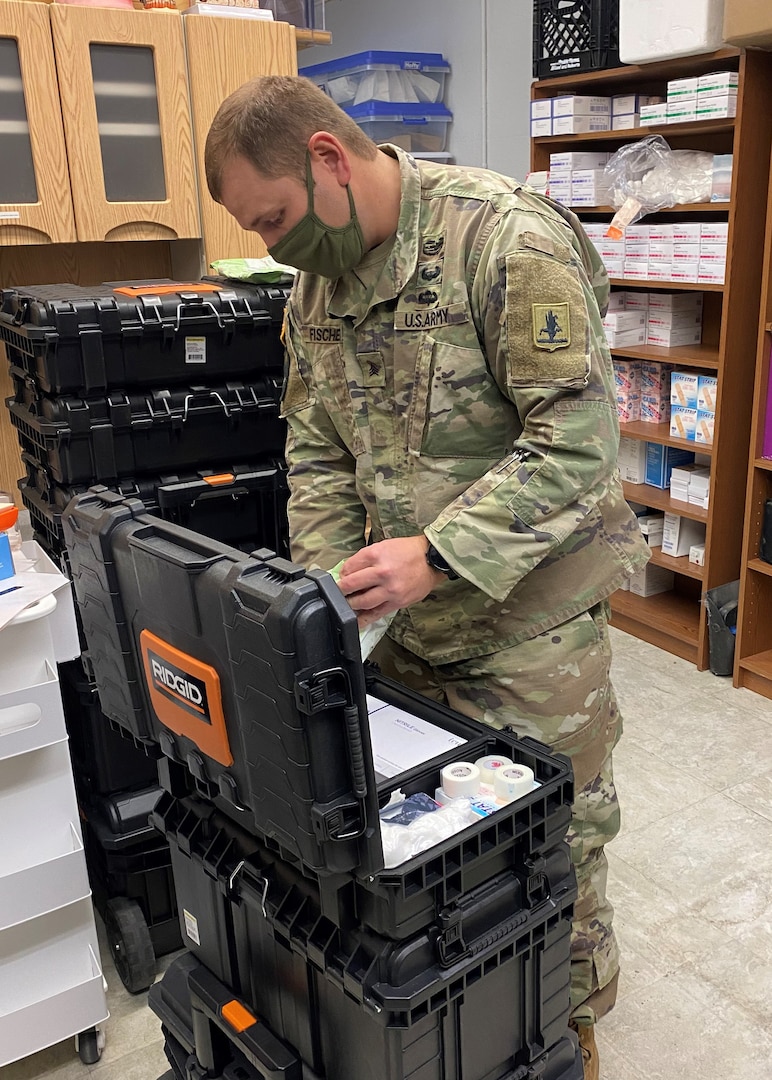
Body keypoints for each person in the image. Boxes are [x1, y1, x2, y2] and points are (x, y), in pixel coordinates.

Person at [205, 75, 650, 1080]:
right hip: (398, 633)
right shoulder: (316, 293)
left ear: (326, 158)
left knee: (555, 846)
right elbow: (315, 449)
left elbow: (576, 447)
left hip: (525, 630)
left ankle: (560, 1036)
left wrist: (438, 553)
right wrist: (324, 590)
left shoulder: (503, 240)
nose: (274, 248)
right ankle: (472, 1024)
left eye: (274, 219)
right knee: (440, 849)